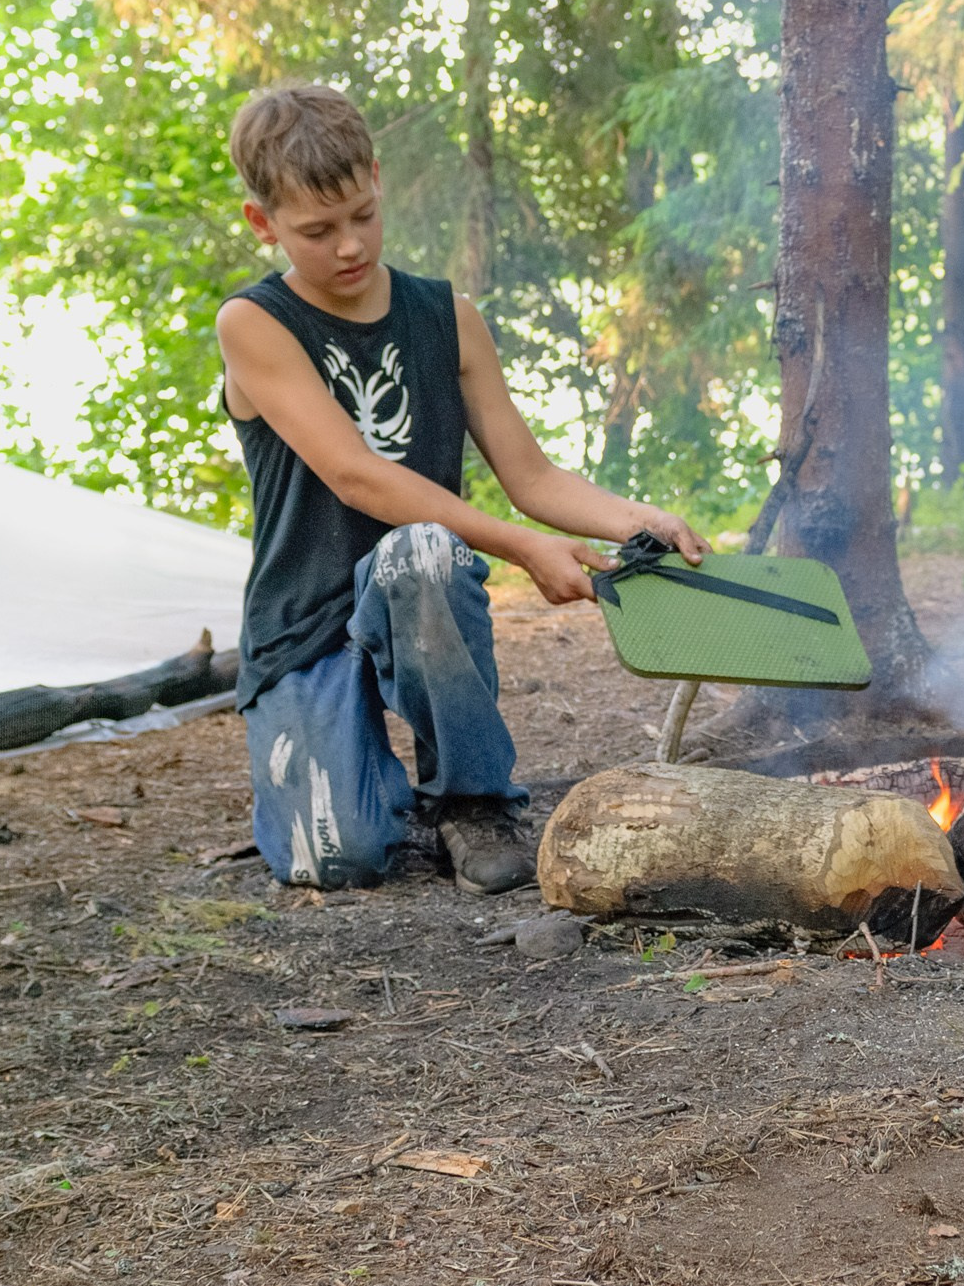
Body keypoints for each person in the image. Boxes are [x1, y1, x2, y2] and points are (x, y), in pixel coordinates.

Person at [216, 83, 708, 894]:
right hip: (302, 626)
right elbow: (354, 472)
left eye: (363, 216)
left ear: (377, 179)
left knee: (423, 557)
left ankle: (469, 800)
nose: (349, 246)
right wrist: (521, 549)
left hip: (415, 586)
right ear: (263, 224)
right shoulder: (254, 323)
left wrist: (638, 517)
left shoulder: (449, 317)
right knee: (345, 860)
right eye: (317, 230)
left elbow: (534, 477)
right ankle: (360, 774)